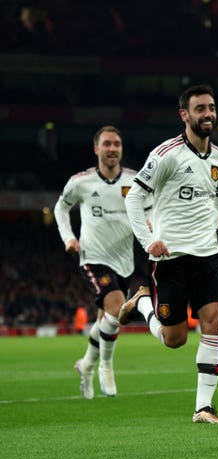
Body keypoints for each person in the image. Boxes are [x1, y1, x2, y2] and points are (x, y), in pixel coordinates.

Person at [118, 84, 218, 425]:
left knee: (213, 319)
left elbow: (217, 208)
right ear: (185, 115)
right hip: (170, 258)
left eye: (211, 107)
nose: (208, 114)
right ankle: (142, 305)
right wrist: (149, 240)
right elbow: (133, 198)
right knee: (174, 339)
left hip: (208, 255)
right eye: (200, 109)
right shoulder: (166, 154)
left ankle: (203, 407)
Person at [54, 125, 143, 399]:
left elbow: (148, 209)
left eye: (116, 144)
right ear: (96, 149)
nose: (112, 148)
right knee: (117, 312)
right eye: (107, 144)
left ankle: (86, 365)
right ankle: (105, 365)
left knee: (106, 320)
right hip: (93, 256)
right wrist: (68, 237)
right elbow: (60, 207)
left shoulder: (135, 180)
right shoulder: (81, 182)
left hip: (124, 260)